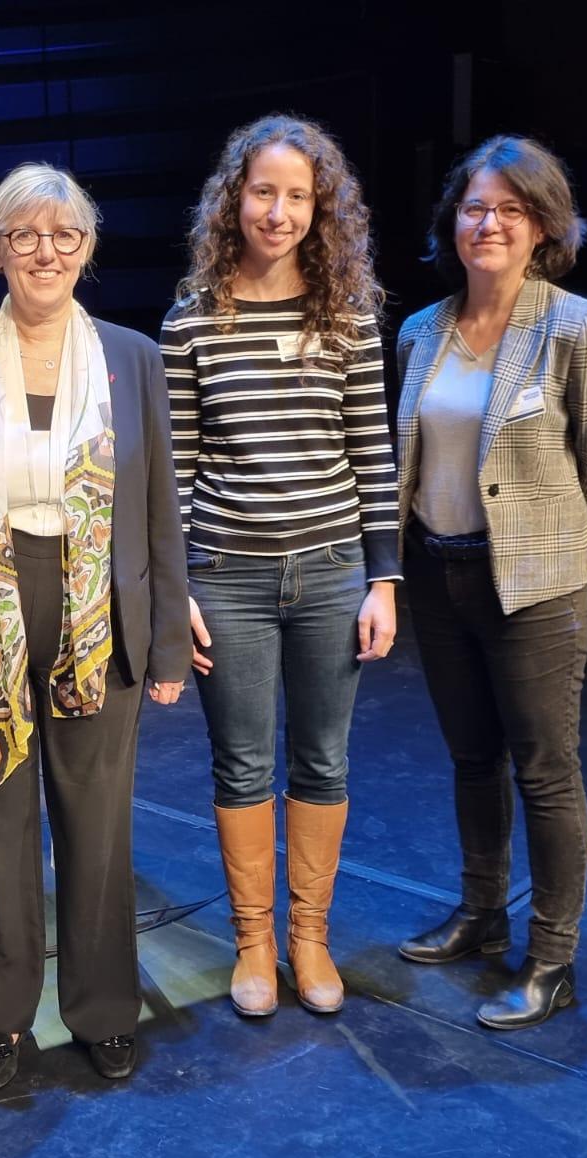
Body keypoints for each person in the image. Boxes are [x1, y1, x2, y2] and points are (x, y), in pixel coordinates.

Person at [0, 163, 190, 1090]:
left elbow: (158, 511)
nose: (45, 252)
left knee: (97, 824)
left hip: (99, 605)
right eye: (23, 236)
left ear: (87, 249)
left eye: (64, 236)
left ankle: (103, 1007)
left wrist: (169, 647)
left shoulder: (132, 358)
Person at [392, 134, 587, 1030]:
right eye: (474, 207)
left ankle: (552, 956)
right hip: (438, 573)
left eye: (510, 209)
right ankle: (481, 913)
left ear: (543, 226)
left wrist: (550, 542)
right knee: (469, 759)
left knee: (545, 769)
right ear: (452, 221)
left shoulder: (578, 324)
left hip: (534, 588)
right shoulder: (422, 331)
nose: (488, 223)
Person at [161, 115, 400, 1019]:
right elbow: (178, 470)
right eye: (265, 191)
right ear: (236, 199)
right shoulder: (191, 324)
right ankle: (254, 943)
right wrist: (177, 585)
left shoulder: (346, 318)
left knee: (323, 761)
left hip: (333, 571)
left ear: (320, 208)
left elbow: (373, 452)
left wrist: (384, 580)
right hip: (228, 576)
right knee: (241, 764)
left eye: (299, 196)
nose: (280, 211)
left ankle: (310, 938)